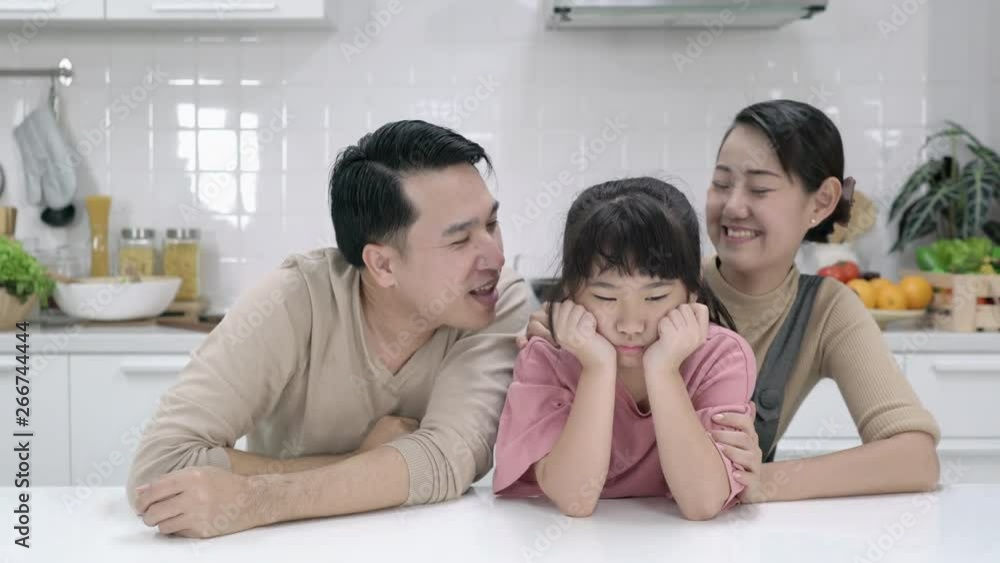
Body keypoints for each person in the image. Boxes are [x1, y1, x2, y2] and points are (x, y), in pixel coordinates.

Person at [128, 120, 534, 538]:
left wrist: (256, 497)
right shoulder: (294, 299)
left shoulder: (498, 302)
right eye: (460, 240)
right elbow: (161, 467)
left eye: (490, 225)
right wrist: (365, 460)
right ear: (382, 264)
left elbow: (448, 458)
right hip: (280, 546)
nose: (495, 256)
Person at [521, 100, 940, 504]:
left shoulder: (827, 310)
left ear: (822, 202)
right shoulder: (657, 291)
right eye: (721, 183)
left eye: (759, 188)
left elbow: (916, 459)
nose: (733, 205)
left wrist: (758, 482)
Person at [493, 177, 757, 520]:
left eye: (655, 297)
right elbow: (575, 499)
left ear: (693, 290)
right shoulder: (548, 356)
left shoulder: (721, 358)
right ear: (571, 292)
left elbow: (703, 502)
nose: (631, 323)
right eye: (605, 297)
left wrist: (663, 371)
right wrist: (598, 369)